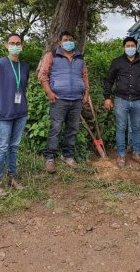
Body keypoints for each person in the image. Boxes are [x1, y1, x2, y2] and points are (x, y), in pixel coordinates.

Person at [38, 31, 90, 174]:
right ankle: (49, 158)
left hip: (76, 100)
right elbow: (43, 74)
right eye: (66, 39)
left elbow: (84, 76)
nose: (69, 41)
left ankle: (68, 156)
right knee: (56, 128)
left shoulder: (80, 57)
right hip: (59, 99)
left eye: (71, 39)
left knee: (73, 129)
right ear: (60, 43)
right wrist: (49, 92)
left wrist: (86, 93)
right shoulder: (52, 55)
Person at [0, 33, 30, 197]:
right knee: (2, 147)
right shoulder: (0, 64)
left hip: (20, 113)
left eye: (18, 43)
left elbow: (23, 87)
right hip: (3, 114)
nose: (15, 45)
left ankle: (12, 177)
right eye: (12, 43)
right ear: (6, 45)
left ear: (22, 45)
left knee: (14, 147)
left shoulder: (24, 66)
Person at [104, 36, 140, 168]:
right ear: (124, 48)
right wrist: (107, 97)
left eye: (132, 46)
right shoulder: (117, 62)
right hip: (121, 100)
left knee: (136, 128)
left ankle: (136, 153)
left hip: (137, 101)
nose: (130, 48)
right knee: (121, 128)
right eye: (128, 46)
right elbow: (109, 80)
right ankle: (121, 154)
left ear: (136, 47)